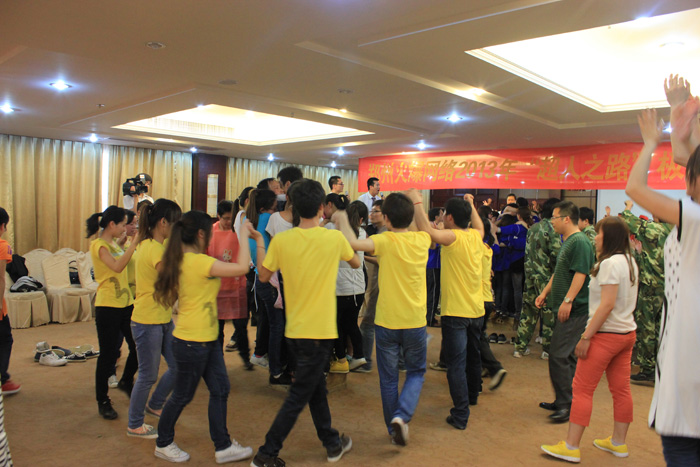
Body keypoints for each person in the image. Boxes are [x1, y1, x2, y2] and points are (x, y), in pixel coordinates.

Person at [251, 179, 358, 466]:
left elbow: (263, 276)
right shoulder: (333, 239)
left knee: (315, 387)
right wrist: (339, 223)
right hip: (320, 332)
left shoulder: (282, 241)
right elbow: (356, 263)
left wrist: (260, 241)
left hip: (295, 331)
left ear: (293, 206)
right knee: (299, 394)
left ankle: (332, 443)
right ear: (322, 207)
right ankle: (266, 454)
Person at [625, 81, 700, 464]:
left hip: (689, 358)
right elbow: (687, 156)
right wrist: (679, 114)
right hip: (686, 350)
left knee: (683, 446)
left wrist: (651, 143)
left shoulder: (695, 217)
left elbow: (635, 187)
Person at [152, 211, 259, 463]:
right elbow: (242, 267)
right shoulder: (198, 262)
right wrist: (243, 234)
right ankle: (163, 443)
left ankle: (223, 446)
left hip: (206, 339)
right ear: (201, 234)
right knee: (182, 395)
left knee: (220, 389)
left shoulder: (187, 260)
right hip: (192, 341)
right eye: (210, 232)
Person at [541, 216, 639, 463]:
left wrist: (586, 336)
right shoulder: (629, 261)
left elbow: (606, 305)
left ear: (610, 237)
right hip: (626, 334)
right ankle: (618, 442)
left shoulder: (609, 264)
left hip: (606, 335)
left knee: (582, 389)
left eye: (599, 234)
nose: (595, 238)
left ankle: (571, 446)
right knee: (621, 390)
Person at [340, 192, 431, 446]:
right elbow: (425, 226)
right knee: (416, 372)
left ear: (387, 218)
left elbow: (352, 243)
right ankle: (401, 416)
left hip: (386, 322)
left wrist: (341, 218)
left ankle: (393, 430)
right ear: (410, 218)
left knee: (388, 380)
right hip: (415, 321)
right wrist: (417, 201)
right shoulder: (423, 239)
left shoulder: (384, 240)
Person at [408, 190, 485, 430]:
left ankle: (460, 414)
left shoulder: (453, 237)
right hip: (476, 310)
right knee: (473, 357)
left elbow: (427, 231)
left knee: (456, 364)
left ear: (450, 217)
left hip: (456, 313)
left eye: (444, 215)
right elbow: (479, 225)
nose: (441, 218)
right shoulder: (476, 235)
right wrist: (471, 204)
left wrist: (417, 201)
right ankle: (472, 395)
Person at [535, 201, 595, 423]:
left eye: (554, 217)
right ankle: (565, 400)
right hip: (567, 307)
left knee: (559, 355)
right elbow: (559, 272)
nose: (552, 221)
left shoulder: (579, 242)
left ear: (566, 219)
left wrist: (568, 300)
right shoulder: (568, 241)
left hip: (575, 310)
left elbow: (581, 274)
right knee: (566, 357)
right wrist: (545, 292)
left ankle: (566, 405)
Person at [127, 199, 182, 438]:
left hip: (162, 317)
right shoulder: (153, 249)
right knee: (148, 375)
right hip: (147, 320)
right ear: (163, 223)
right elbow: (170, 278)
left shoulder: (156, 243)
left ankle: (155, 403)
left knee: (178, 365)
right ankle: (134, 423)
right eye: (175, 223)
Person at [86, 206, 141, 420]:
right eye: (123, 224)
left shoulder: (113, 244)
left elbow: (119, 255)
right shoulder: (99, 246)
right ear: (112, 224)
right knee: (108, 355)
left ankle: (126, 380)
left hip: (126, 304)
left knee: (137, 346)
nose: (125, 228)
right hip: (108, 306)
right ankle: (103, 400)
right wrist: (133, 244)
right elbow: (117, 267)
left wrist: (125, 243)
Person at [619, 200, 670, 384]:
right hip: (668, 286)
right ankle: (658, 366)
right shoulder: (674, 230)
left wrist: (628, 206)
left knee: (647, 327)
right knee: (660, 328)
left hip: (651, 286)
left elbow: (627, 219)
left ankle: (648, 370)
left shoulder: (655, 229)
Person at [247, 189, 291, 385]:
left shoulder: (250, 219)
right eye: (275, 205)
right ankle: (276, 371)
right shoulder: (270, 218)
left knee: (270, 323)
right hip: (271, 278)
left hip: (259, 276)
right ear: (268, 206)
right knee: (277, 327)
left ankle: (264, 357)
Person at [515, 198, 561, 360]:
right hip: (547, 278)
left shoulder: (533, 227)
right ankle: (547, 350)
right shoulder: (553, 229)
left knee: (528, 311)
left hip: (530, 275)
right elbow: (557, 255)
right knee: (549, 314)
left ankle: (520, 347)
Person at [207, 200, 250, 369]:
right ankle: (218, 360)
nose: (228, 222)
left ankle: (245, 357)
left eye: (231, 218)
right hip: (217, 286)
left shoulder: (237, 231)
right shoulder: (211, 231)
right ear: (218, 216)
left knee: (241, 325)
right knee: (217, 328)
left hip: (236, 284)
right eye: (225, 218)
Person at [329, 201, 368, 373]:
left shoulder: (335, 232)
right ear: (361, 219)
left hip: (340, 288)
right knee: (351, 324)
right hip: (358, 288)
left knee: (336, 326)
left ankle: (341, 360)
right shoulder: (363, 233)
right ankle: (359, 355)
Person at [356, 200, 386, 373]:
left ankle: (365, 362)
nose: (372, 214)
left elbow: (382, 260)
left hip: (381, 285)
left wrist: (362, 257)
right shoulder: (378, 231)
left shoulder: (385, 234)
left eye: (376, 211)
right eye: (371, 211)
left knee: (368, 323)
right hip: (378, 282)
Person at [0, 208, 20, 396]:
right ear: (3, 226)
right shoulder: (2, 245)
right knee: (5, 339)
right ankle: (3, 380)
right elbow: (0, 278)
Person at [426, 207, 443, 327]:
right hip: (432, 264)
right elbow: (434, 243)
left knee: (432, 291)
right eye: (441, 214)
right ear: (436, 217)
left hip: (434, 264)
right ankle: (430, 318)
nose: (443, 216)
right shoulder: (432, 227)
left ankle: (430, 316)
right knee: (433, 292)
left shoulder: (435, 227)